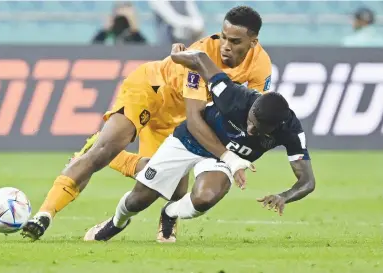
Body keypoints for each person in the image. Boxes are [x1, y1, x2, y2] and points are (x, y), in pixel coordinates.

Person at [21, 6, 273, 241]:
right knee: (104, 150)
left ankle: (121, 166)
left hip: (177, 116)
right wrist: (228, 158)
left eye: (235, 41)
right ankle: (43, 215)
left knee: (166, 184)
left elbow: (249, 113)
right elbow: (196, 120)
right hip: (150, 90)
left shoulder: (260, 67)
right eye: (224, 37)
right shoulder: (202, 55)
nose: (226, 46)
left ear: (253, 42)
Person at [83, 48, 316, 243]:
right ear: (252, 109)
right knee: (139, 200)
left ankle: (170, 213)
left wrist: (285, 196)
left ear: (276, 128)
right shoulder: (233, 96)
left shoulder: (291, 131)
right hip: (189, 140)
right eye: (250, 122)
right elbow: (201, 59)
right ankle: (116, 222)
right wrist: (177, 56)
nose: (251, 130)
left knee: (206, 197)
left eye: (258, 130)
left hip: (221, 160)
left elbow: (307, 181)